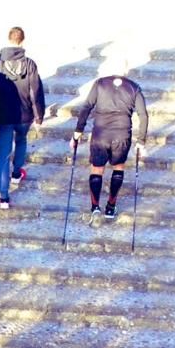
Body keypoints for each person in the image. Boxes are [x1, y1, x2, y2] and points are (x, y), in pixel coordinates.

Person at [70, 57, 148, 225]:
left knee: (97, 169)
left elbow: (86, 107)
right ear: (126, 70)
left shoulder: (100, 84)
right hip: (122, 135)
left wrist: (78, 131)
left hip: (100, 134)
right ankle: (111, 206)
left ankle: (95, 207)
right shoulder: (134, 88)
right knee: (118, 167)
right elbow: (143, 115)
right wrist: (141, 141)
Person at [0, 26, 46, 209]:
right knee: (21, 141)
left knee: (3, 155)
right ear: (23, 40)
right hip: (24, 114)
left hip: (3, 116)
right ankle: (16, 173)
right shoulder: (29, 64)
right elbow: (35, 91)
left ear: (8, 38)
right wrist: (38, 116)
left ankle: (4, 196)